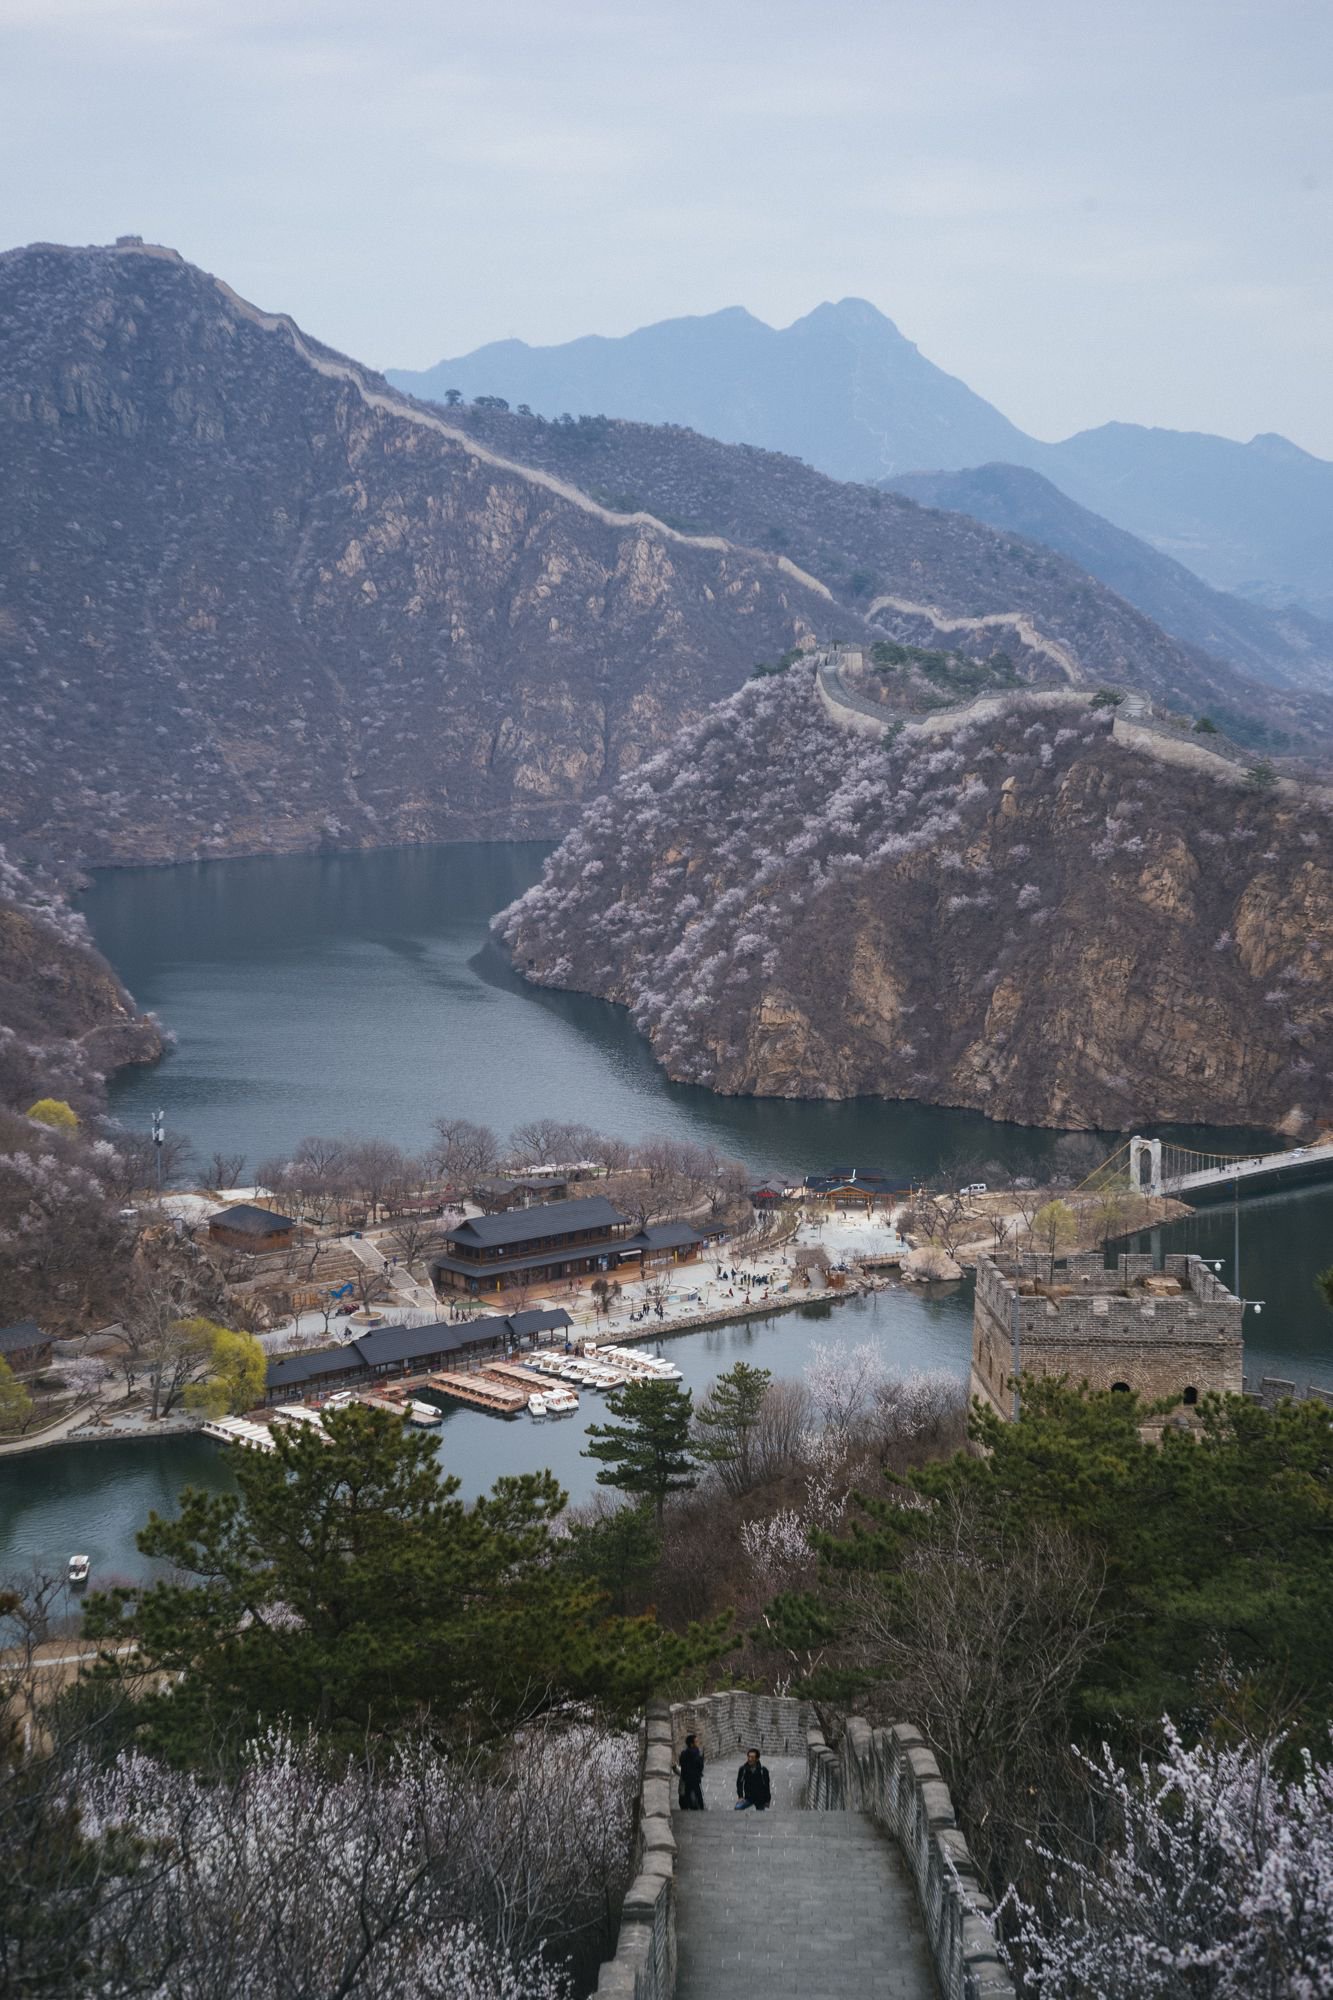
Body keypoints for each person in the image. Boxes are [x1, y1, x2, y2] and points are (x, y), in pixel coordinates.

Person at [734, 1747, 771, 1812]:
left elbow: (766, 1786)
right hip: (748, 1797)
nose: (750, 1759)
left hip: (760, 1799)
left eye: (752, 1757)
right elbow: (739, 1783)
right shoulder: (743, 1769)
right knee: (738, 1808)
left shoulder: (763, 1770)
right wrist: (740, 1796)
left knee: (760, 1816)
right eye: (749, 1757)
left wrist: (767, 1800)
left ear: (757, 1759)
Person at [676, 1732, 705, 1811]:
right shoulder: (696, 1754)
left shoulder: (683, 1754)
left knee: (687, 1797)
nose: (698, 1743)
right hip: (695, 1780)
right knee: (698, 1798)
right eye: (696, 1742)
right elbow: (700, 1766)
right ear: (691, 1744)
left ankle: (687, 1808)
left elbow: (682, 1765)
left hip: (686, 1779)